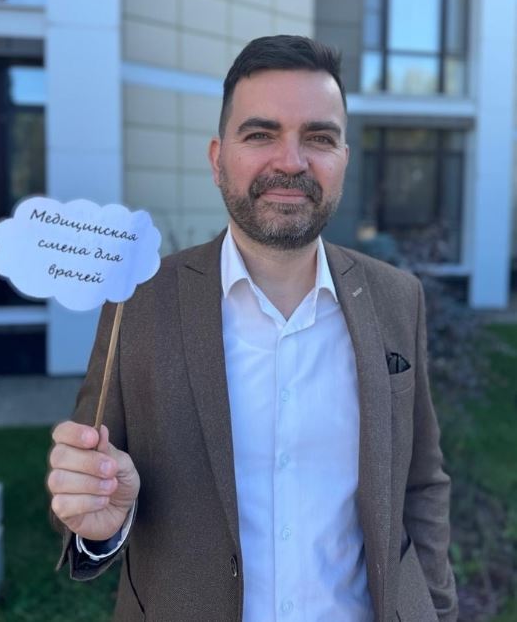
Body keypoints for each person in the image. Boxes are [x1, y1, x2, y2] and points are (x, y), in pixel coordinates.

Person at [48, 35, 458, 622]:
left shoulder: (397, 298)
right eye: (261, 134)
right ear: (218, 159)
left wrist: (439, 610)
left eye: (319, 138)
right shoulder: (137, 300)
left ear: (344, 158)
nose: (291, 162)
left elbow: (421, 484)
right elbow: (87, 483)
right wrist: (98, 522)